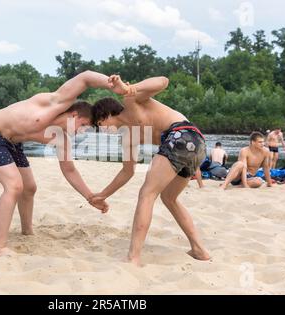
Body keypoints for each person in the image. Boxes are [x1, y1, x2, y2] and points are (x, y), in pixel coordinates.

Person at [0, 71, 129, 256]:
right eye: (83, 126)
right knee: (14, 186)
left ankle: (27, 231)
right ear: (74, 115)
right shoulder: (53, 104)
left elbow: (69, 170)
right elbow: (85, 77)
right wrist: (115, 85)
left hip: (12, 143)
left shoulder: (62, 139)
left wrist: (90, 197)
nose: (81, 132)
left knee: (29, 188)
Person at [90, 75, 210, 267]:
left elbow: (163, 81)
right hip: (197, 145)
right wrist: (102, 195)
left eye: (99, 126)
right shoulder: (128, 137)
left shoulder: (131, 101)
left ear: (105, 115)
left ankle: (134, 257)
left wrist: (129, 89)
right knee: (169, 198)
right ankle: (199, 250)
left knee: (147, 193)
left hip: (182, 134)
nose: (101, 131)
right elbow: (127, 172)